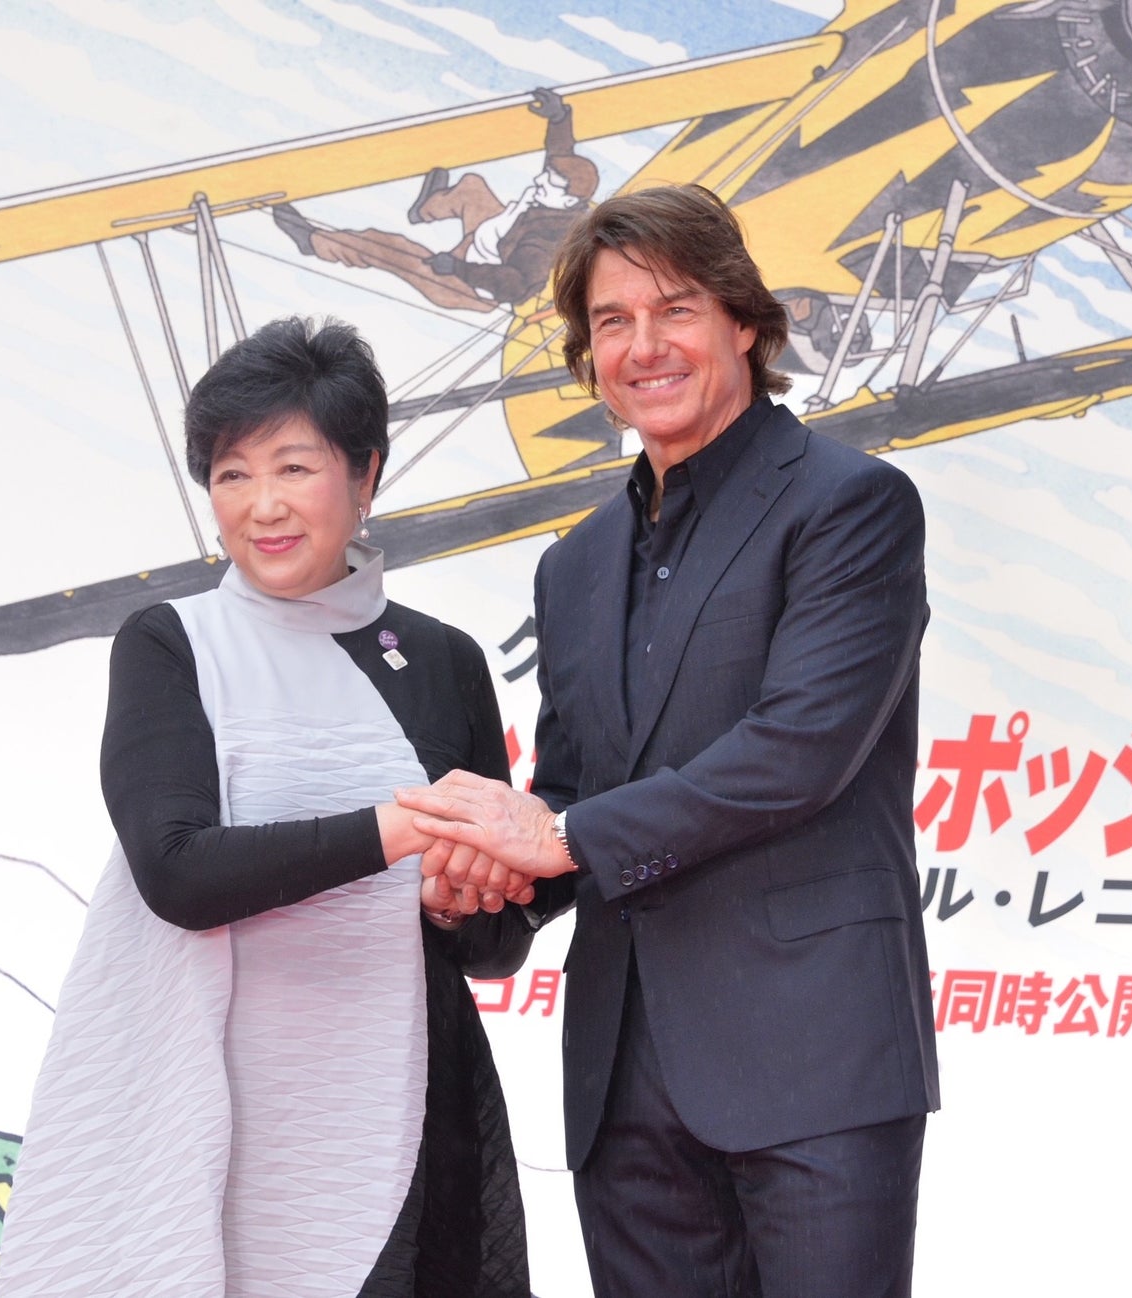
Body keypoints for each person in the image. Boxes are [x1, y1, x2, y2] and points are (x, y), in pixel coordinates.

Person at [397, 185, 939, 1297]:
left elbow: (799, 749)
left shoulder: (852, 505)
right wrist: (484, 888)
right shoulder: (574, 564)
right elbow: (572, 796)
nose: (644, 347)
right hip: (624, 1080)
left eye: (675, 309)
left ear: (743, 320)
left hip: (816, 1063)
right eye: (612, 322)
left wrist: (554, 837)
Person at [0, 317, 533, 1298]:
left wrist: (462, 902)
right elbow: (178, 873)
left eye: (295, 467)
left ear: (366, 474)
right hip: (221, 1110)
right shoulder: (171, 643)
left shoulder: (446, 660)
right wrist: (402, 829)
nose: (263, 504)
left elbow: (493, 946)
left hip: (409, 1114)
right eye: (232, 474)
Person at [271, 87, 596, 313]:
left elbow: (515, 286)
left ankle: (315, 242)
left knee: (390, 248)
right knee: (472, 187)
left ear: (568, 200)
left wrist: (457, 267)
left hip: (469, 281)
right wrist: (559, 117)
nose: (540, 180)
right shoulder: (557, 194)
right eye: (547, 174)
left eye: (550, 182)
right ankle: (426, 208)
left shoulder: (546, 241)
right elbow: (560, 154)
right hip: (492, 239)